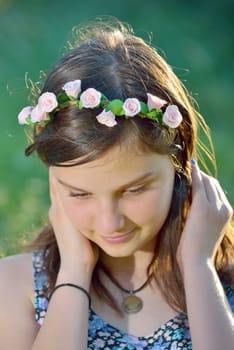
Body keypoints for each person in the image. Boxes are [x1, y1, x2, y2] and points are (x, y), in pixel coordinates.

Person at [0, 18, 233, 350]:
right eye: (79, 193)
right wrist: (74, 273)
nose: (111, 222)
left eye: (135, 189)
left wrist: (198, 269)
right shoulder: (15, 285)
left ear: (181, 167)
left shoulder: (221, 284)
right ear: (55, 180)